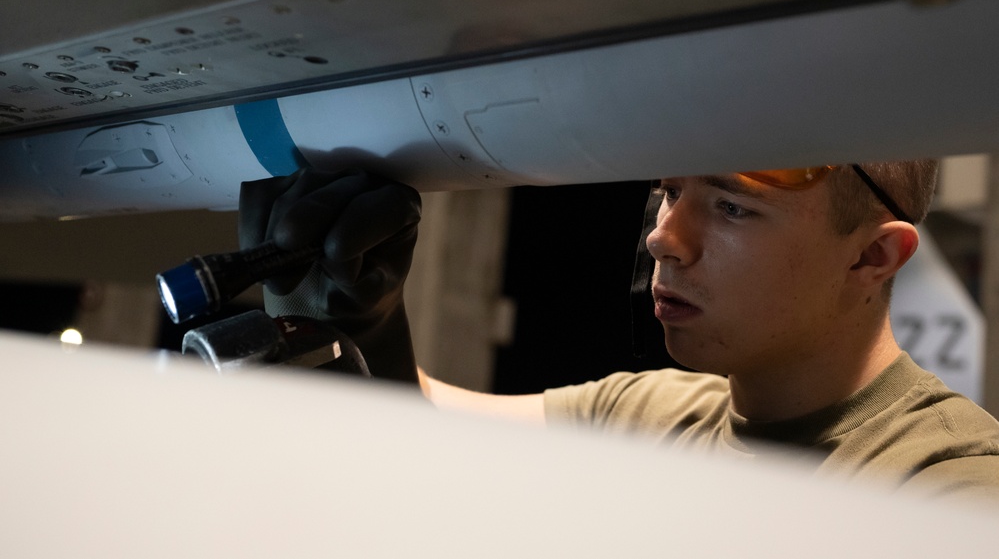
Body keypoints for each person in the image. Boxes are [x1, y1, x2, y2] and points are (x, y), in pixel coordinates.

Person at [238, 162, 999, 501]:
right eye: (669, 191)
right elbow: (425, 425)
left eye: (732, 206)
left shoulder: (944, 479)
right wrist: (360, 318)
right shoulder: (656, 414)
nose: (664, 237)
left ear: (871, 255)